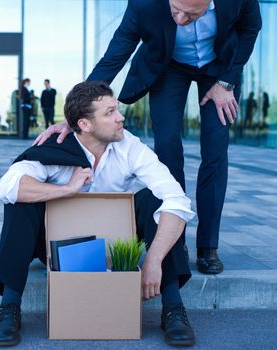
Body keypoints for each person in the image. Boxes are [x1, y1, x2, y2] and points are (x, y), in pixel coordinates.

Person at [35, 0, 262, 275]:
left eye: (189, 14)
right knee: (167, 146)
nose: (178, 19)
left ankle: (208, 246)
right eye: (174, 10)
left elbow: (251, 29)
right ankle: (175, 240)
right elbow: (114, 57)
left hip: (219, 69)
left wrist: (226, 83)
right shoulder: (144, 4)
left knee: (215, 151)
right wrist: (77, 115)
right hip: (169, 67)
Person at [0, 81, 196, 347]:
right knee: (20, 202)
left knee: (156, 199)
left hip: (115, 244)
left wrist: (153, 260)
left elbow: (177, 200)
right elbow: (6, 186)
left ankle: (173, 308)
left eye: (117, 109)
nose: (120, 117)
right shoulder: (56, 146)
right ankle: (9, 307)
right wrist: (66, 188)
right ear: (85, 125)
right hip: (58, 246)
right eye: (109, 113)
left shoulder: (128, 146)